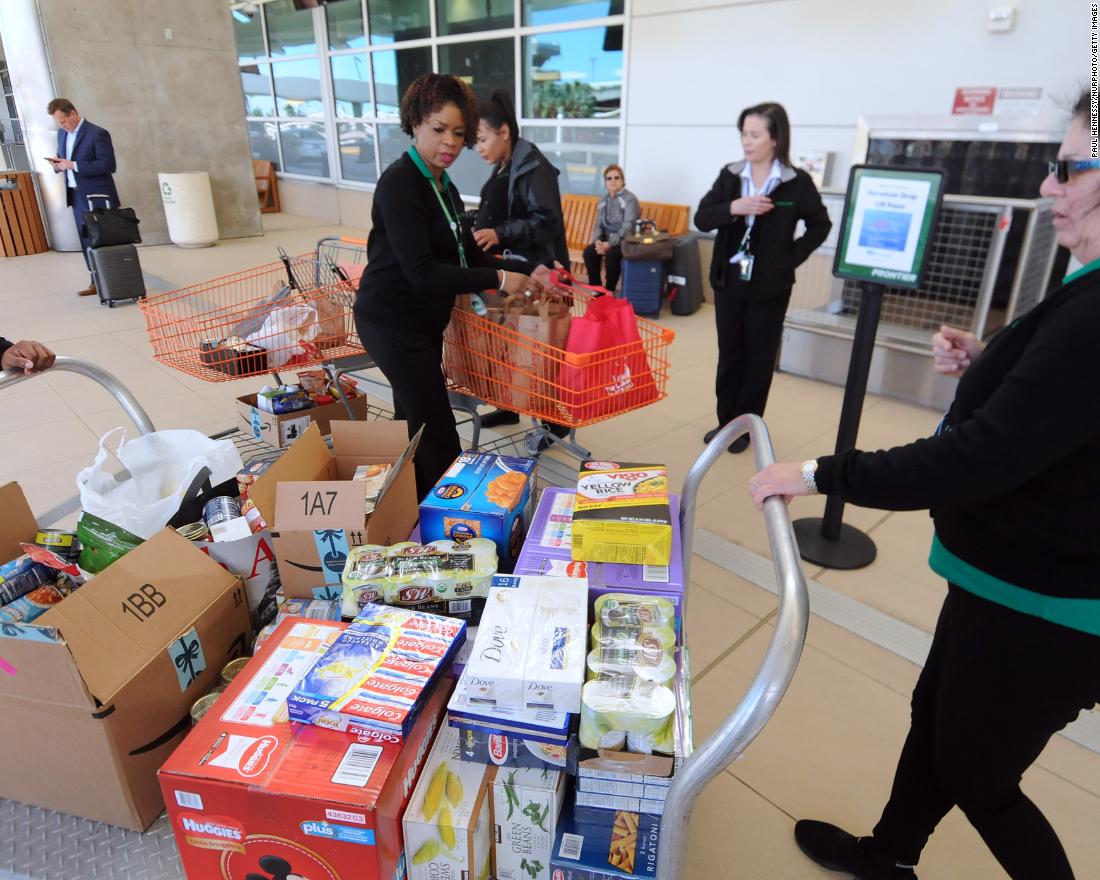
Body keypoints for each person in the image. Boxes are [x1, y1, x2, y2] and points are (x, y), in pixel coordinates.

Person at [748, 89, 1100, 880]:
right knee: (934, 720)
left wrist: (815, 473)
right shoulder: (1085, 290)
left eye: (1067, 167)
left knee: (980, 774)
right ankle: (889, 856)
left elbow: (980, 456)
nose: (1046, 186)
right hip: (1002, 577)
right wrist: (994, 365)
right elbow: (1059, 414)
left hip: (1049, 606)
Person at [354, 74, 543, 500]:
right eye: (439, 129)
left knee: (413, 421)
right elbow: (422, 272)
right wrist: (497, 278)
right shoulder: (400, 183)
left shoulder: (444, 185)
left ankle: (411, 510)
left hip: (423, 324)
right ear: (415, 122)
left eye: (460, 133)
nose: (451, 142)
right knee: (437, 429)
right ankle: (454, 524)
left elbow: (467, 255)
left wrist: (525, 270)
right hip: (391, 323)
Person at [695, 101, 831, 453]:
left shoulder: (795, 182)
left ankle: (748, 427)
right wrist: (734, 208)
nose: (747, 141)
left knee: (759, 358)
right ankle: (726, 425)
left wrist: (789, 259)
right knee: (730, 355)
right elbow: (703, 218)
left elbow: (821, 224)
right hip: (729, 280)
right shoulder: (731, 175)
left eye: (755, 134)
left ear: (775, 138)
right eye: (744, 134)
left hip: (771, 286)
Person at [472, 89, 570, 430]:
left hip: (541, 273)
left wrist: (499, 233)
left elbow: (548, 221)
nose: (478, 147)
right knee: (512, 342)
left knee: (541, 350)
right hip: (516, 271)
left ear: (504, 133)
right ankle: (510, 407)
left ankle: (554, 425)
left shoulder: (532, 167)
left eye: (482, 139)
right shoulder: (507, 163)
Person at [45, 98, 120, 298]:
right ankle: (95, 279)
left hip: (97, 198)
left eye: (63, 121)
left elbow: (108, 165)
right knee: (86, 239)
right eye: (58, 123)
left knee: (104, 239)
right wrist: (57, 164)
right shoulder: (62, 134)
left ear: (73, 113)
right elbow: (63, 158)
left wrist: (73, 165)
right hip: (76, 196)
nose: (62, 126)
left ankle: (114, 280)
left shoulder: (97, 133)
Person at [583, 163, 641, 293]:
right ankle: (596, 289)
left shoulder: (630, 200)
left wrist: (609, 243)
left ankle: (609, 290)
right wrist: (597, 242)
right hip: (605, 240)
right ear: (605, 182)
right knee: (589, 252)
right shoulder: (603, 201)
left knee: (612, 254)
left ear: (622, 181)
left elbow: (628, 227)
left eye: (616, 177)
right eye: (609, 178)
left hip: (624, 240)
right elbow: (598, 225)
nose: (613, 181)